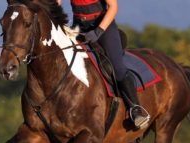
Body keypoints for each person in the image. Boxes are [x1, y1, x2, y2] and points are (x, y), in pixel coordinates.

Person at [57, 0, 150, 129]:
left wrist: (98, 32)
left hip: (103, 27)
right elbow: (56, 3)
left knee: (117, 68)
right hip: (79, 27)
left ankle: (136, 109)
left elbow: (113, 7)